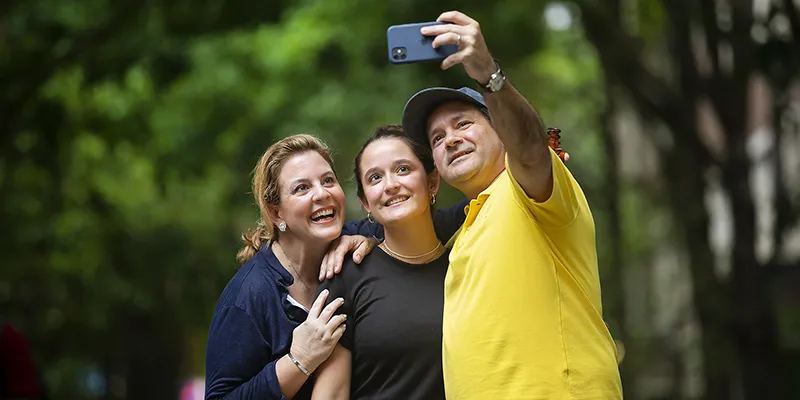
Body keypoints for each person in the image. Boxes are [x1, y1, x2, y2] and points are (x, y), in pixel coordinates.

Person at [397, 10, 623, 399]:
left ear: (500, 131)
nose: (449, 140)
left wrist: (488, 76)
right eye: (436, 138)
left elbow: (532, 149)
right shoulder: (463, 229)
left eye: (463, 125)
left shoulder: (528, 189)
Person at [204, 134, 465, 399]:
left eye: (328, 180)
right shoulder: (249, 295)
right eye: (302, 188)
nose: (321, 194)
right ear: (276, 213)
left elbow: (427, 223)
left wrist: (373, 241)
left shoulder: (356, 237)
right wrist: (299, 360)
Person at [310, 125, 449, 399]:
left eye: (403, 169)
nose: (390, 185)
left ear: (432, 181)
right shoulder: (347, 274)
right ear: (365, 202)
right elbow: (332, 392)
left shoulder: (466, 263)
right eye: (374, 178)